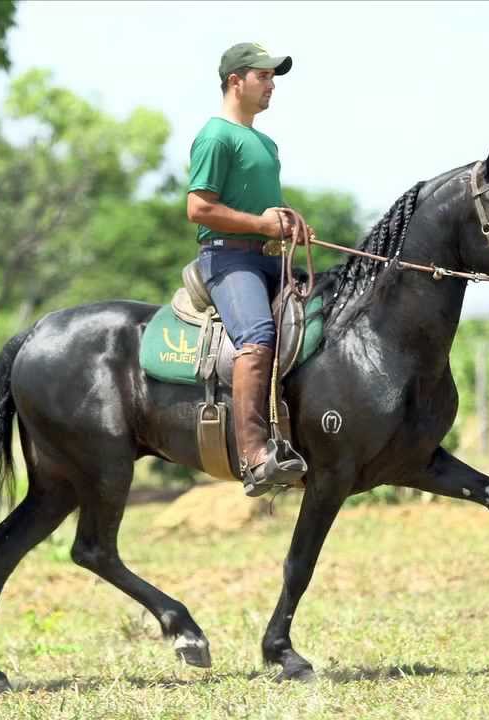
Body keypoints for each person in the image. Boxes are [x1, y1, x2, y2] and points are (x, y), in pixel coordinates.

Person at [185, 42, 311, 496]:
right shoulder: (216, 136)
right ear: (236, 81)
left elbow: (261, 210)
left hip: (268, 257)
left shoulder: (265, 142)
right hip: (228, 258)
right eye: (264, 76)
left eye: (273, 77)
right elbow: (198, 208)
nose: (271, 85)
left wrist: (287, 222)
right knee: (257, 335)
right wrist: (261, 223)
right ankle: (255, 455)